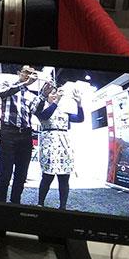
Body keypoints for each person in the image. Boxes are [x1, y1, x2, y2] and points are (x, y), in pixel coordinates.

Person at [0, 65, 43, 203]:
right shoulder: (8, 84)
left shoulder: (30, 95)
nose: (29, 75)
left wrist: (44, 96)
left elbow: (37, 111)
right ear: (19, 73)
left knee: (21, 174)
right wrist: (24, 84)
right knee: (5, 172)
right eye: (26, 72)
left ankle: (15, 202)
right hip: (8, 132)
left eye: (32, 73)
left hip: (26, 134)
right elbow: (2, 94)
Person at [34, 81, 86, 210]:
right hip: (49, 146)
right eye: (52, 93)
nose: (55, 95)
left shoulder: (63, 111)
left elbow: (80, 118)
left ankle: (63, 207)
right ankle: (40, 203)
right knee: (47, 176)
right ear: (46, 95)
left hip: (64, 147)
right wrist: (57, 101)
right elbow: (45, 116)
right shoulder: (42, 108)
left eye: (56, 93)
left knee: (64, 177)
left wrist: (79, 104)